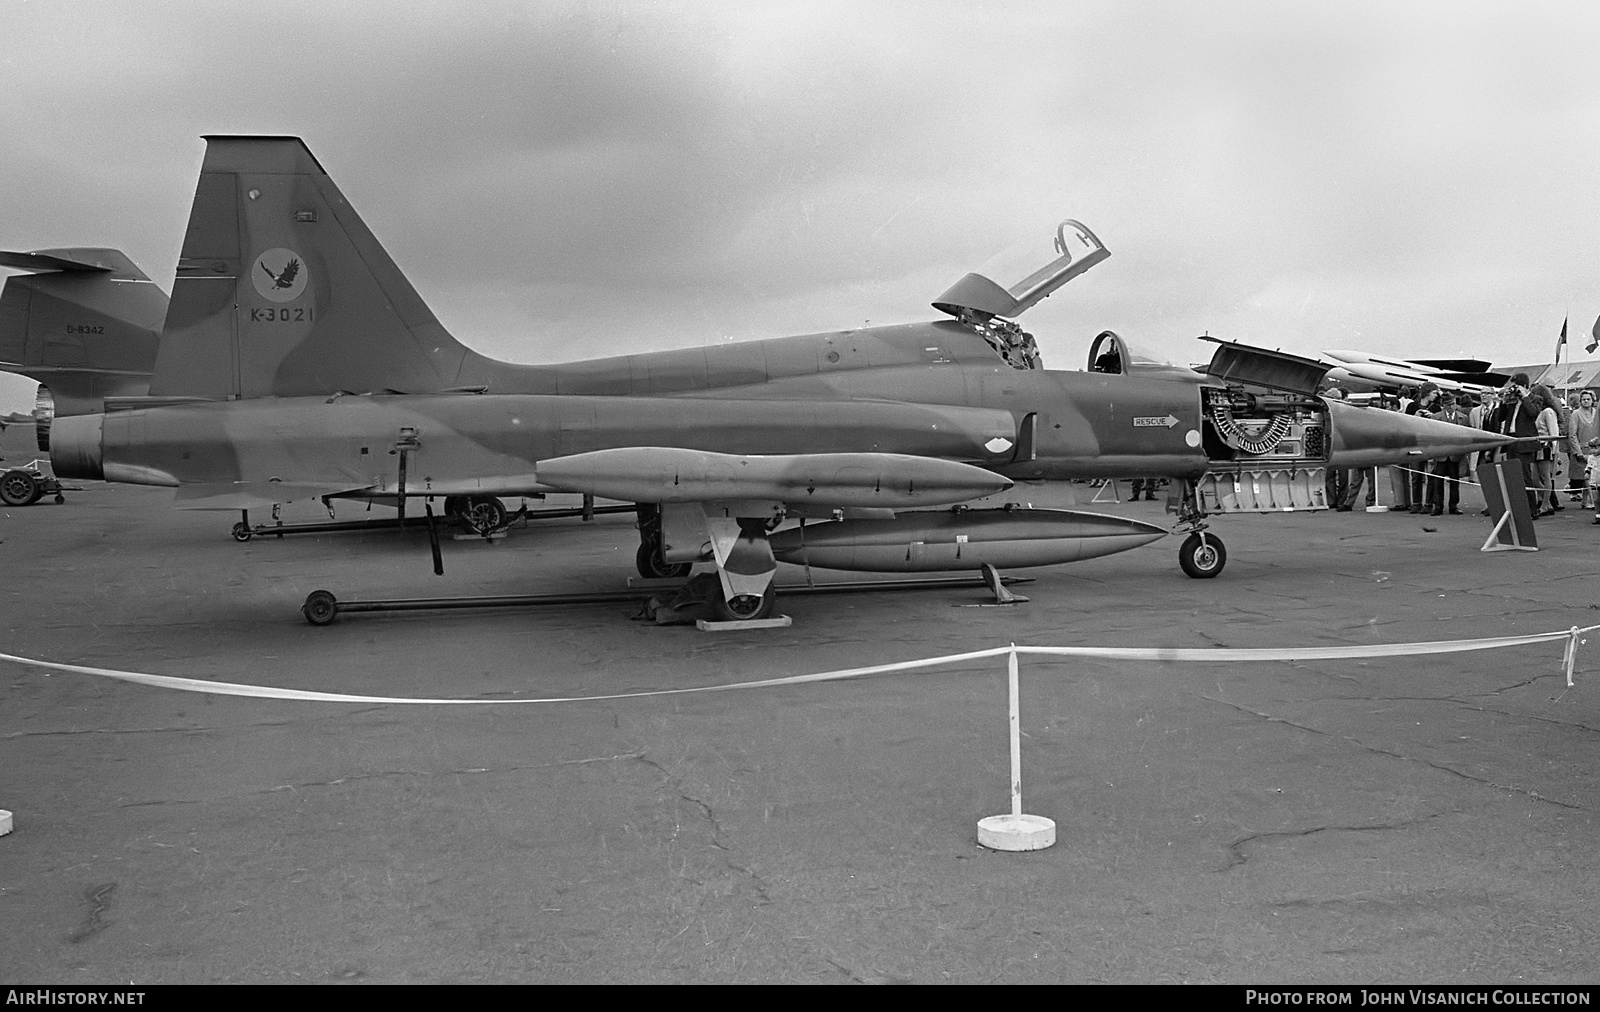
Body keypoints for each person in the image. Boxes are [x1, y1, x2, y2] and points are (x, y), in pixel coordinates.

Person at [1426, 392, 1468, 515]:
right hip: (1441, 455)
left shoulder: (1463, 418)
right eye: (1449, 404)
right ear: (1444, 405)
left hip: (1455, 455)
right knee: (1438, 482)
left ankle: (1453, 506)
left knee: (1455, 482)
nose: (1452, 407)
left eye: (1454, 404)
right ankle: (1438, 506)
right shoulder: (1435, 417)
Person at [1532, 386, 1563, 515]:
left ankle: (1545, 504)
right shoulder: (1537, 412)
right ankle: (1546, 501)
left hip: (1545, 447)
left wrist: (1555, 452)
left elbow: (1553, 433)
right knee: (1534, 478)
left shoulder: (1548, 412)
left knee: (1545, 477)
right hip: (1535, 446)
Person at [1567, 390, 1599, 500]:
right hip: (1581, 449)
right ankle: (1591, 501)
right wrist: (1578, 452)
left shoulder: (1596, 412)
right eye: (1583, 399)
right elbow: (1572, 434)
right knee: (1585, 476)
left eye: (1588, 399)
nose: (1586, 401)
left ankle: (1586, 501)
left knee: (1593, 476)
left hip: (1595, 449)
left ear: (1592, 400)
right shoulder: (1576, 414)